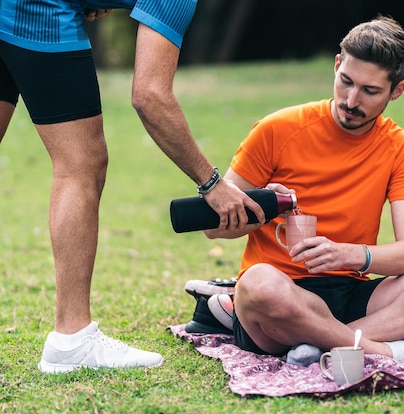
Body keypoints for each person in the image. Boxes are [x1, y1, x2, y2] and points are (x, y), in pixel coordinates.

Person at [192, 16, 404, 365]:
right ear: (337, 65)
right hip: (281, 295)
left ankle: (322, 342)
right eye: (346, 82)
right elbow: (212, 227)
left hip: (351, 294)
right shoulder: (277, 129)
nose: (351, 100)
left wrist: (350, 255)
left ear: (396, 91)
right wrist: (262, 206)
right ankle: (383, 350)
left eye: (370, 91)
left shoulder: (400, 147)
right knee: (259, 284)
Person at [0, 1, 264, 373]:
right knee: (81, 166)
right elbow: (150, 96)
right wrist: (212, 183)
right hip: (37, 12)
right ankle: (72, 340)